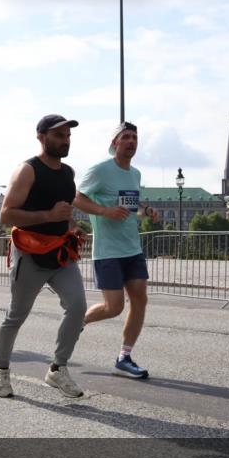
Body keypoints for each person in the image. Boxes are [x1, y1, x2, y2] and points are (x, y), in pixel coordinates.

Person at [0, 114, 87, 399]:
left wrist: (73, 226)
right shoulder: (27, 170)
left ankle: (57, 369)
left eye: (68, 136)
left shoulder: (68, 173)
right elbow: (6, 215)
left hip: (60, 252)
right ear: (41, 136)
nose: (65, 140)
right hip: (30, 253)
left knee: (78, 306)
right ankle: (1, 369)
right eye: (59, 135)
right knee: (16, 315)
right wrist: (49, 215)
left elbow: (63, 211)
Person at [75, 121, 158, 379]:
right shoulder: (101, 170)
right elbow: (76, 197)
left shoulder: (135, 174)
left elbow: (131, 207)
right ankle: (77, 322)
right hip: (108, 250)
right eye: (126, 137)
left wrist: (147, 212)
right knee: (114, 307)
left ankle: (124, 357)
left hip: (132, 248)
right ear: (115, 143)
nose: (132, 141)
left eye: (135, 137)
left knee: (140, 299)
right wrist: (104, 211)